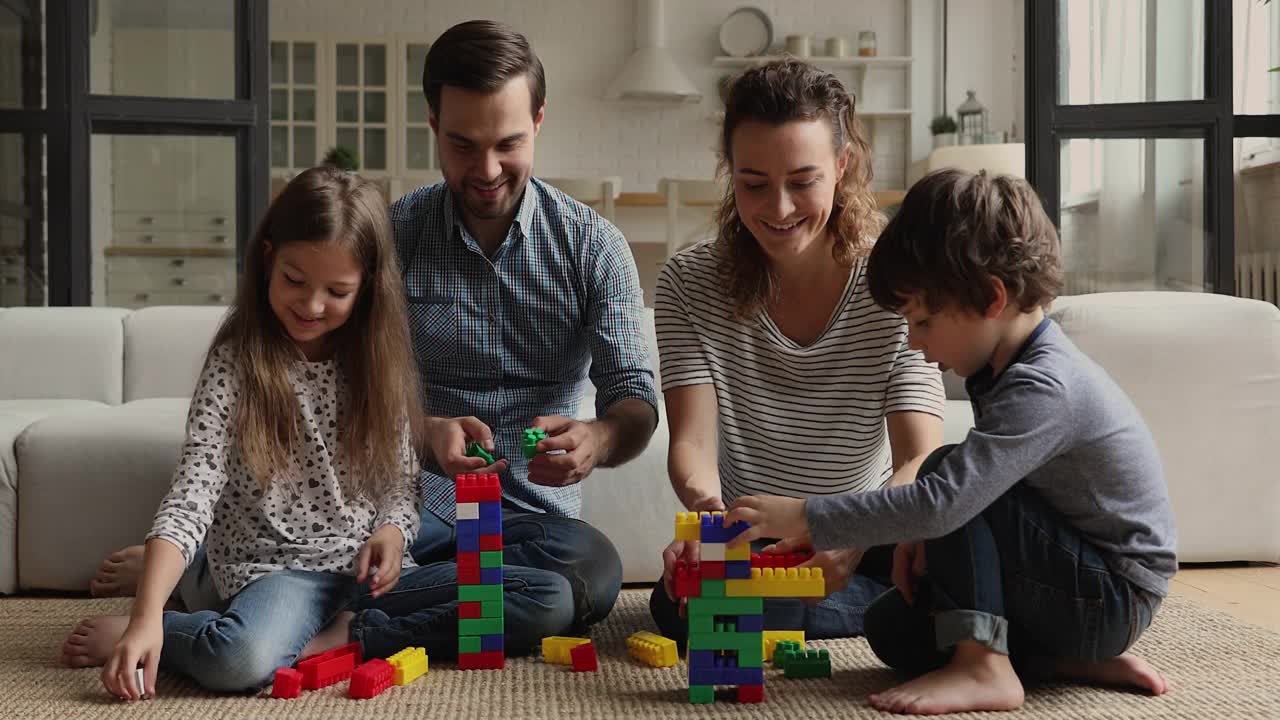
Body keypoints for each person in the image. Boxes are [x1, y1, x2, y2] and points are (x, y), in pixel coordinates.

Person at [89, 20, 658, 640]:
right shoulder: (391, 236)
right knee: (498, 595)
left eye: (508, 143)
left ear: (539, 120)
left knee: (592, 575)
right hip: (407, 503)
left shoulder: (594, 247)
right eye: (464, 144)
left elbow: (635, 398)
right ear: (434, 125)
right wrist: (425, 431)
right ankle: (228, 576)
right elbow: (321, 385)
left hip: (530, 516)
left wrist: (597, 440)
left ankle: (326, 619)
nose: (487, 168)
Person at [59, 167, 571, 699]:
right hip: (276, 573)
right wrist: (144, 617)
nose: (310, 305)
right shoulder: (237, 364)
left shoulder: (380, 365)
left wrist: (392, 535)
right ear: (268, 262)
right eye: (295, 281)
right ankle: (171, 624)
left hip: (366, 579)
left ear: (367, 288)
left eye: (337, 291)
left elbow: (399, 486)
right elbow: (192, 494)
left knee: (546, 596)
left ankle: (342, 636)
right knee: (240, 660)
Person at [723, 169, 1176, 714]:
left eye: (923, 321)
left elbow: (949, 501)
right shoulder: (1006, 366)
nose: (913, 343)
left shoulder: (1045, 385)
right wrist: (929, 537)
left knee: (946, 471)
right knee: (893, 629)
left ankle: (985, 665)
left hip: (1109, 595)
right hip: (1074, 584)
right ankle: (1064, 660)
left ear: (990, 297)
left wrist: (806, 515)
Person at [649, 58, 944, 642]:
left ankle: (835, 607)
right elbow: (693, 441)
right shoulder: (688, 281)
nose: (778, 210)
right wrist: (706, 517)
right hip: (754, 533)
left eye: (803, 181)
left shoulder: (895, 278)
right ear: (729, 173)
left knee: (945, 563)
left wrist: (850, 534)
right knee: (678, 606)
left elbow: (919, 456)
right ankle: (858, 614)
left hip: (875, 525)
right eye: (753, 184)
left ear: (841, 166)